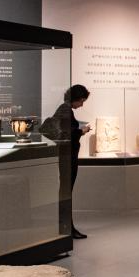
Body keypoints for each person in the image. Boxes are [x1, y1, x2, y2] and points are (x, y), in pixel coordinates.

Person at [50, 84, 92, 238]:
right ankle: (67, 227)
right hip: (68, 155)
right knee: (66, 191)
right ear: (76, 98)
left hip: (66, 154)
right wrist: (82, 130)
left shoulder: (64, 109)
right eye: (81, 101)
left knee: (65, 190)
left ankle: (66, 225)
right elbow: (69, 133)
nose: (81, 104)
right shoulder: (66, 110)